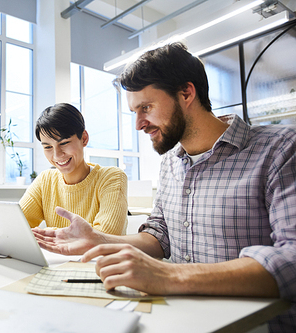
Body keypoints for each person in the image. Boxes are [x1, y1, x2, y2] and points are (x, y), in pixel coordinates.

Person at [32, 43, 296, 332]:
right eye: (135, 111)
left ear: (186, 93)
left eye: (146, 108)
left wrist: (171, 276)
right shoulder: (171, 161)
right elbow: (159, 238)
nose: (138, 125)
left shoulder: (280, 149)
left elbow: (291, 259)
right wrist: (99, 239)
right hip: (180, 320)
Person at [0, 103, 128, 247]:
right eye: (47, 147)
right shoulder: (45, 180)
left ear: (84, 138)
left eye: (64, 143)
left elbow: (105, 237)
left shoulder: (111, 177)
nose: (57, 155)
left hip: (101, 270)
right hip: (57, 266)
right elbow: (14, 229)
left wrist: (37, 234)